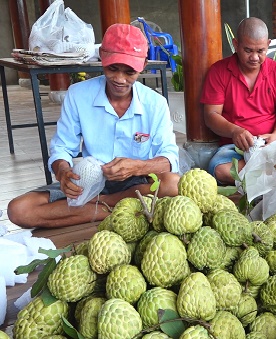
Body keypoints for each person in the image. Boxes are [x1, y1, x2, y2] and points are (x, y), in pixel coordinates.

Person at [7, 24, 180, 228]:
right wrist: (63, 171)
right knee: (19, 210)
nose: (120, 79)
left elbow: (169, 159)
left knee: (172, 184)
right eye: (112, 68)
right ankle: (119, 210)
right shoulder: (78, 95)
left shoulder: (155, 103)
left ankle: (100, 207)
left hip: (136, 183)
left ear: (144, 64)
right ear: (101, 56)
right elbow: (62, 148)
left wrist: (136, 167)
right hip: (88, 182)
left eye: (130, 72)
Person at [202, 17, 276, 185]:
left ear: (268, 44)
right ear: (235, 44)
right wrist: (234, 131)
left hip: (275, 141)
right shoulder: (219, 71)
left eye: (260, 51)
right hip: (236, 148)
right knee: (220, 170)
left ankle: (263, 176)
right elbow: (211, 115)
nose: (254, 57)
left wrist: (275, 136)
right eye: (248, 50)